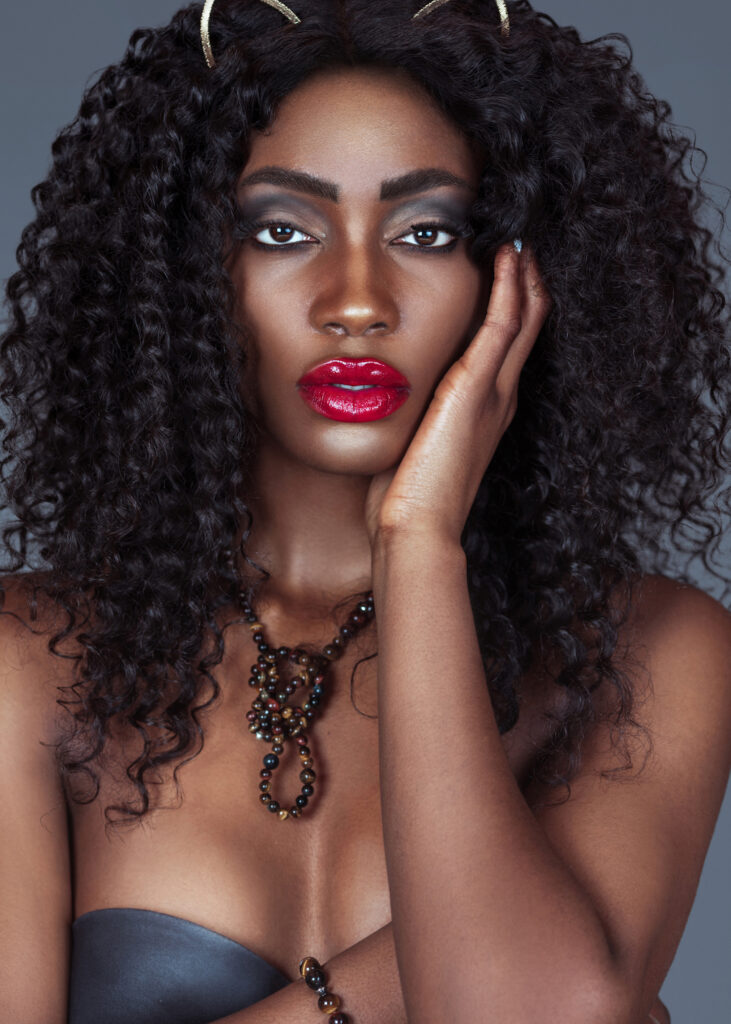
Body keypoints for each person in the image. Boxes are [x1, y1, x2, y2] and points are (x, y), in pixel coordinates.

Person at [1, 0, 729, 1021]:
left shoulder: (650, 651)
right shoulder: (32, 663)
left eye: (425, 232)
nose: (355, 298)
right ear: (186, 274)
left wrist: (418, 542)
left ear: (515, 275)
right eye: (281, 230)